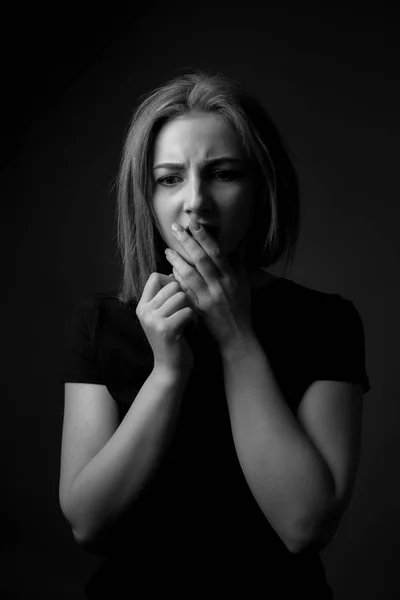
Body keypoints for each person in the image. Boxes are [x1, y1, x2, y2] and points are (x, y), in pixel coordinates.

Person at [59, 70, 370, 599]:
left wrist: (236, 335)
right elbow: (88, 523)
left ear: (261, 187)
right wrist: (168, 372)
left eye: (223, 174)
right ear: (147, 196)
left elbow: (304, 526)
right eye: (169, 178)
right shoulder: (104, 323)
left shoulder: (327, 322)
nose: (195, 203)